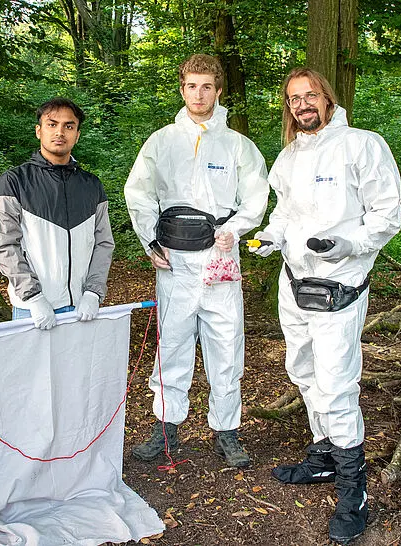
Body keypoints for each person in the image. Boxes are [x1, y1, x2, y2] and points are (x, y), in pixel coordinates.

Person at [249, 67, 401, 544]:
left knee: (337, 383)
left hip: (340, 285)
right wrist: (269, 238)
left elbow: (387, 216)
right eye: (294, 99)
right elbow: (286, 212)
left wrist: (345, 243)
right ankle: (324, 456)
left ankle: (354, 490)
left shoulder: (363, 145)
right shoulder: (291, 154)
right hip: (293, 283)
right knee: (303, 371)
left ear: (328, 99)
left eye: (310, 95)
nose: (302, 105)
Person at [125, 54, 269, 468]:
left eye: (207, 86)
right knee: (171, 344)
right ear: (182, 89)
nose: (199, 94)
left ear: (218, 90)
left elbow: (256, 196)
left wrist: (237, 228)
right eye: (191, 86)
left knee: (226, 346)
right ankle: (165, 428)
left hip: (220, 258)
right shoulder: (162, 141)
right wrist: (151, 240)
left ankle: (227, 430)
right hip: (174, 262)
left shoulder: (237, 145)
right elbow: (138, 192)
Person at [0, 98, 114, 328]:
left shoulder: (92, 185)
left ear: (77, 135)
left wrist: (94, 293)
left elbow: (103, 243)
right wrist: (32, 297)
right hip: (33, 308)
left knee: (77, 366)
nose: (60, 132)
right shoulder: (14, 182)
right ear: (39, 131)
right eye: (52, 124)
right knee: (33, 366)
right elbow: (4, 245)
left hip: (81, 307)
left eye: (69, 126)